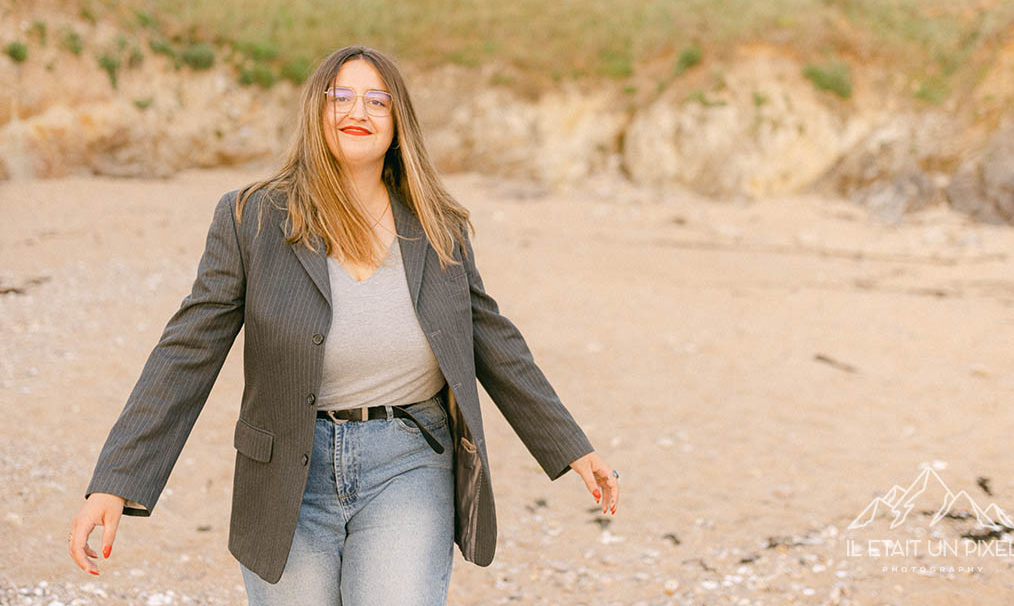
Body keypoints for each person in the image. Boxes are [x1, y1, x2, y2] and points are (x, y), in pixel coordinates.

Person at [68, 45, 620, 604]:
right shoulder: (251, 216)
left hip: (408, 462)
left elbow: (491, 338)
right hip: (285, 470)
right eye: (342, 96)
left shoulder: (439, 225)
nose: (359, 110)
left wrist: (571, 446)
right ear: (317, 110)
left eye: (378, 101)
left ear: (398, 122)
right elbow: (188, 350)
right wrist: (117, 481)